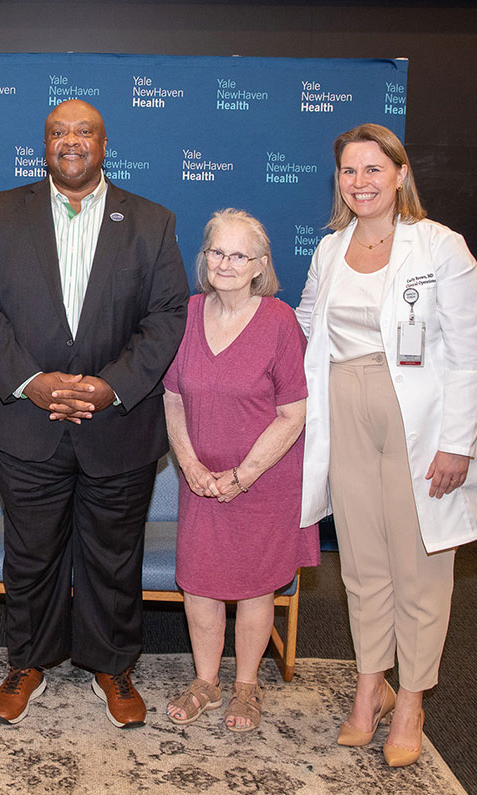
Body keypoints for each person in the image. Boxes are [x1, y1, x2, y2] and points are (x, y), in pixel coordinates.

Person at [0, 99, 188, 727]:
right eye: (57, 131)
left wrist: (110, 387)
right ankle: (28, 660)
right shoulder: (0, 212)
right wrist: (31, 382)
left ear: (104, 143)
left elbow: (168, 316)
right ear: (44, 144)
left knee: (114, 554)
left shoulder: (151, 221)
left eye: (84, 130)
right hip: (26, 422)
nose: (70, 141)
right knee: (30, 552)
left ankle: (112, 665)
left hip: (118, 422)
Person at [298, 123, 477, 767]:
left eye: (373, 170)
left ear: (401, 174)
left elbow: (469, 355)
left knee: (420, 566)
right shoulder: (329, 250)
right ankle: (369, 688)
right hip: (345, 411)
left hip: (422, 421)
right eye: (349, 172)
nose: (360, 183)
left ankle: (412, 698)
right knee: (361, 561)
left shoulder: (441, 247)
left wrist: (457, 444)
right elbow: (304, 325)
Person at [161, 209, 319, 731]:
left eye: (238, 255)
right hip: (200, 480)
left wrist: (243, 475)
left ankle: (247, 687)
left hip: (263, 480)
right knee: (200, 584)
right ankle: (205, 681)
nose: (225, 263)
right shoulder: (184, 314)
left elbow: (294, 412)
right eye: (216, 252)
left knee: (256, 587)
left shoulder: (279, 322)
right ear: (204, 258)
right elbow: (172, 397)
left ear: (260, 265)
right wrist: (189, 464)